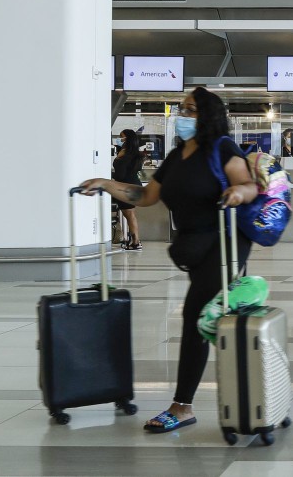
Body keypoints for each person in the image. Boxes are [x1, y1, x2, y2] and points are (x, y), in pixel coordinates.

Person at [80, 87, 257, 433]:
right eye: (182, 109)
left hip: (226, 242)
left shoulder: (222, 148)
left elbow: (248, 185)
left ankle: (182, 406)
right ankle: (254, 393)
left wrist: (238, 192)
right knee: (217, 320)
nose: (182, 116)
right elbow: (146, 195)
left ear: (208, 116)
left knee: (196, 316)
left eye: (191, 110)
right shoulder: (177, 156)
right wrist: (105, 184)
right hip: (194, 244)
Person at [112, 129, 144, 251]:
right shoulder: (135, 153)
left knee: (129, 215)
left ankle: (136, 242)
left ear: (127, 139)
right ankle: (135, 241)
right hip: (135, 185)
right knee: (130, 215)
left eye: (121, 137)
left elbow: (120, 174)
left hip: (126, 187)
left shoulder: (125, 154)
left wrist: (112, 178)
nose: (119, 139)